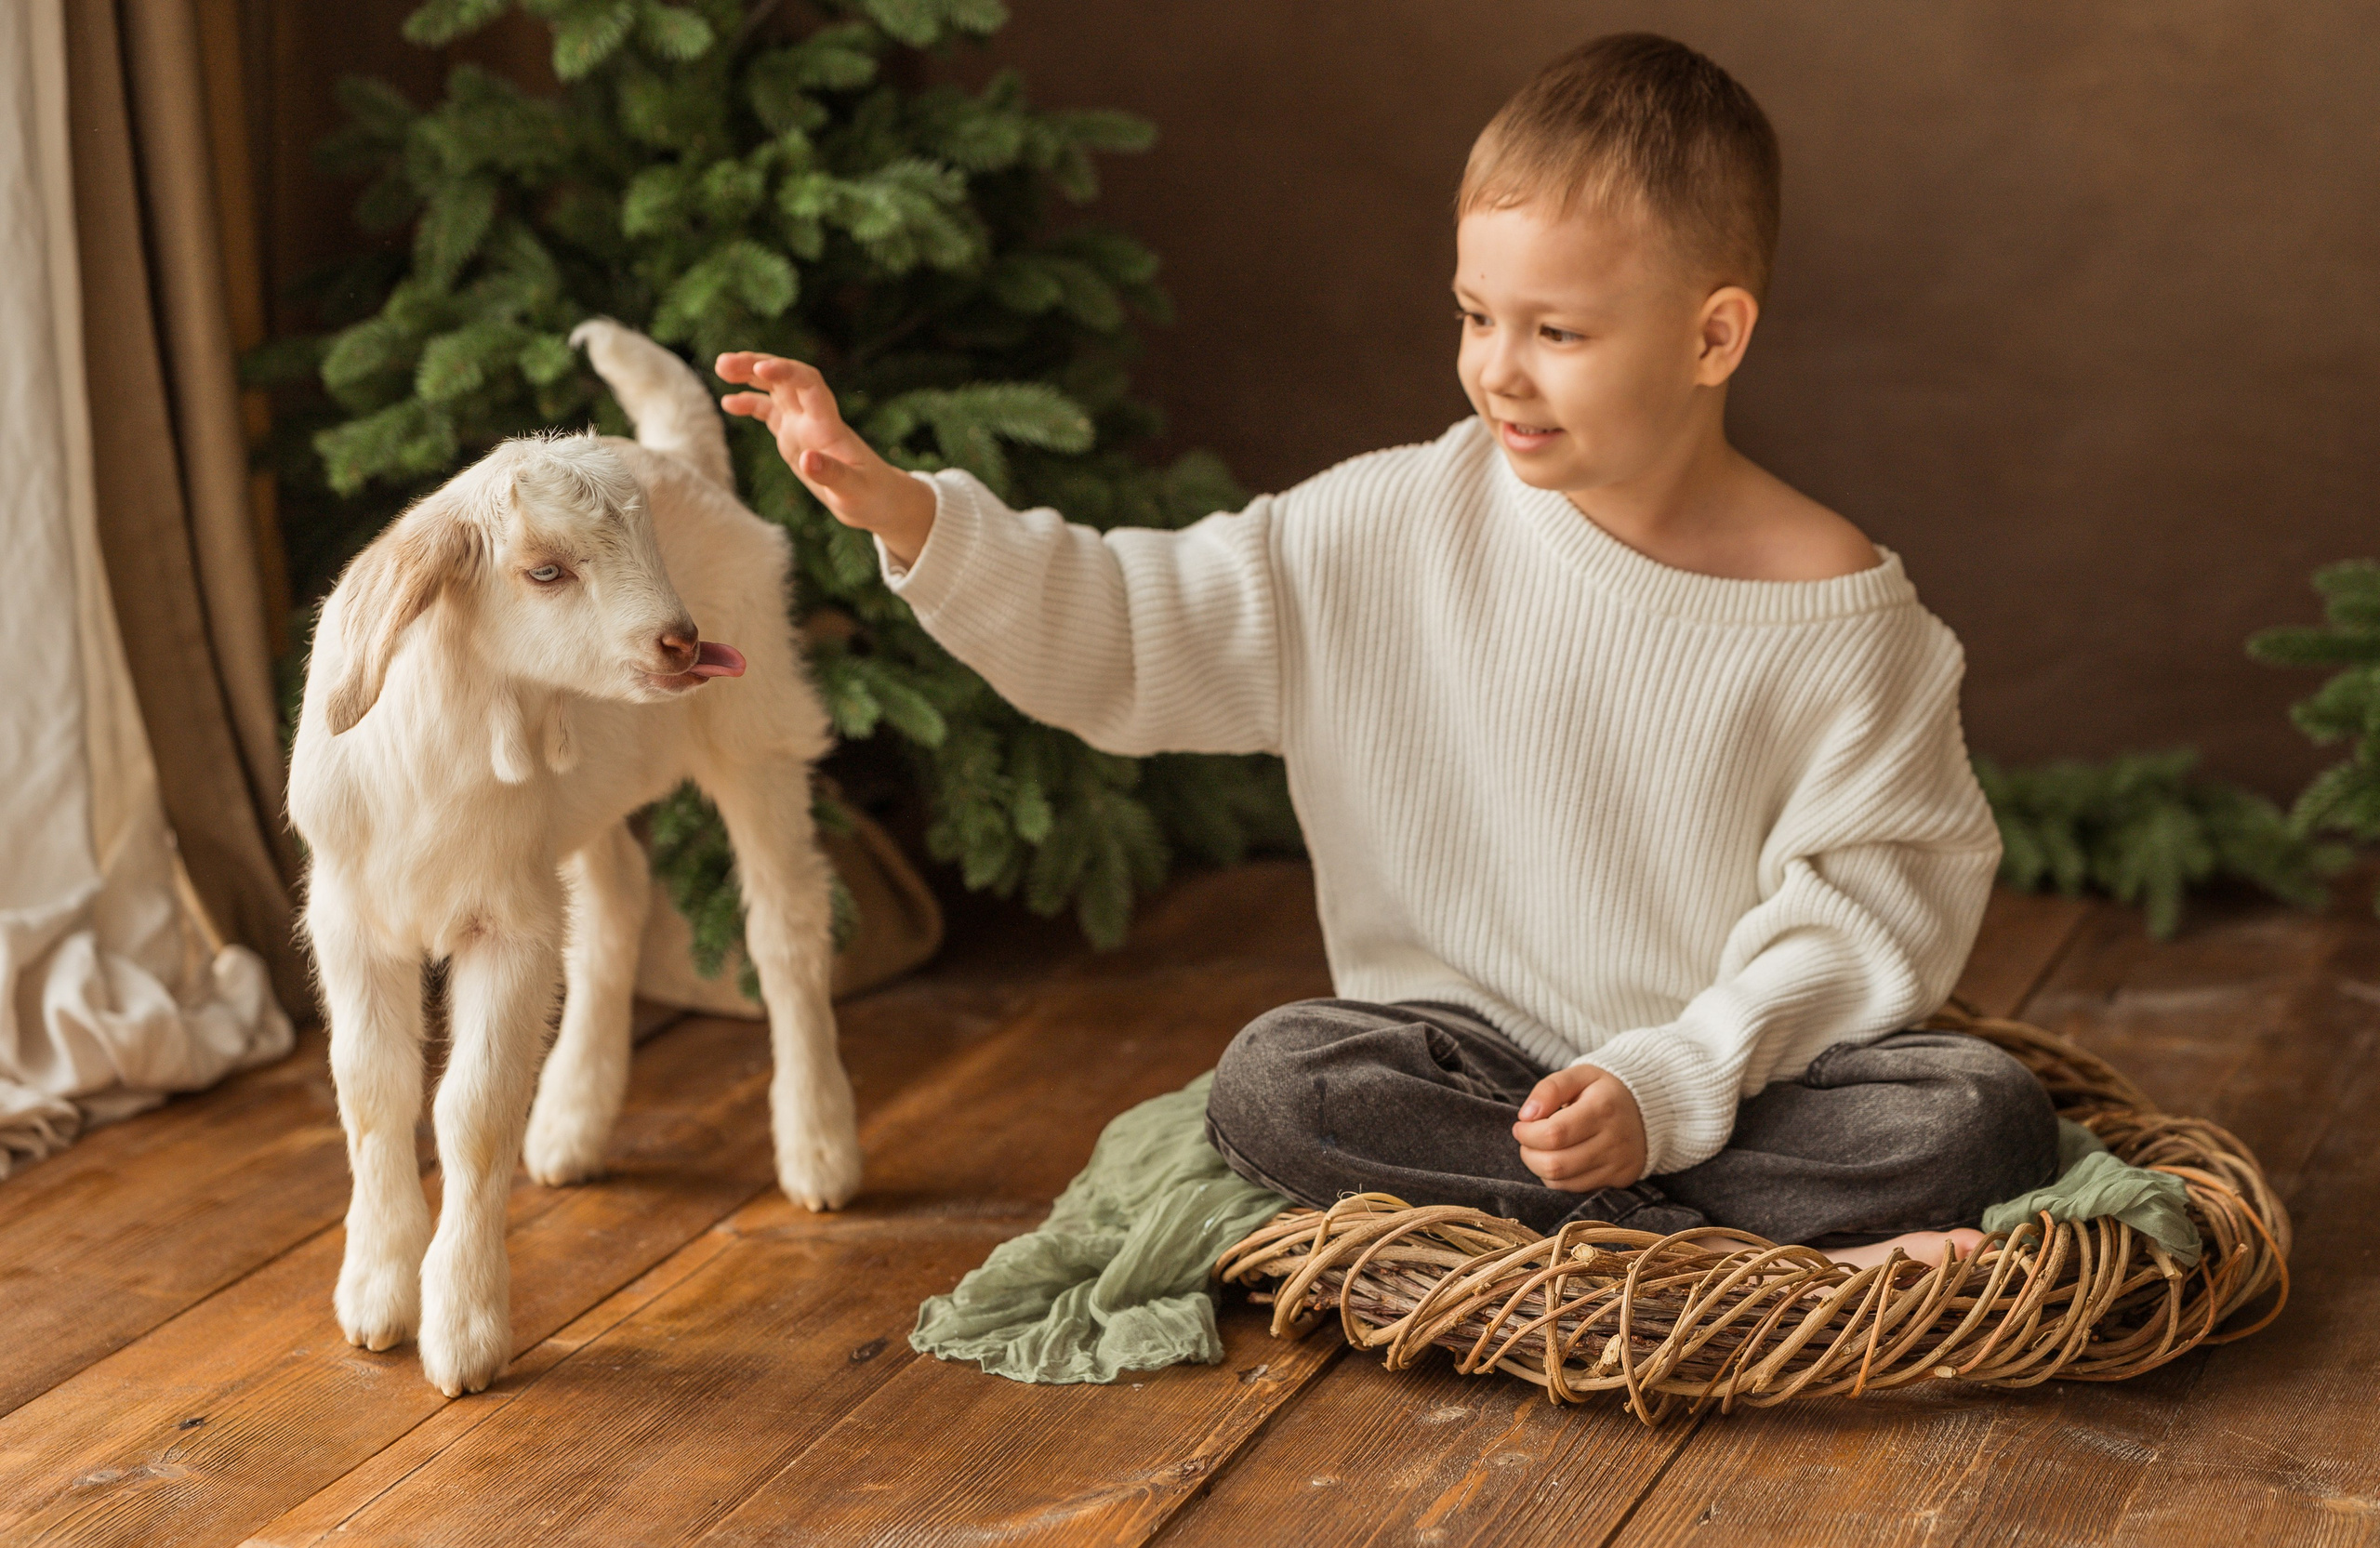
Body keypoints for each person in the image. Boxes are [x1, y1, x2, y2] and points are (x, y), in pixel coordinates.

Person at [714, 33, 2058, 1267]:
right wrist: (911, 516)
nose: (1497, 371)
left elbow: (1874, 915)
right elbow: (1137, 624)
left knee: (1980, 1115)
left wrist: (1671, 1085)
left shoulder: (1847, 624)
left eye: (1558, 332)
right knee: (1280, 1084)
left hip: (1727, 1083)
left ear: (1715, 335)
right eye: (1477, 315)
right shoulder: (1387, 522)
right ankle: (1731, 1259)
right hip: (1457, 1071)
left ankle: (1637, 1227)